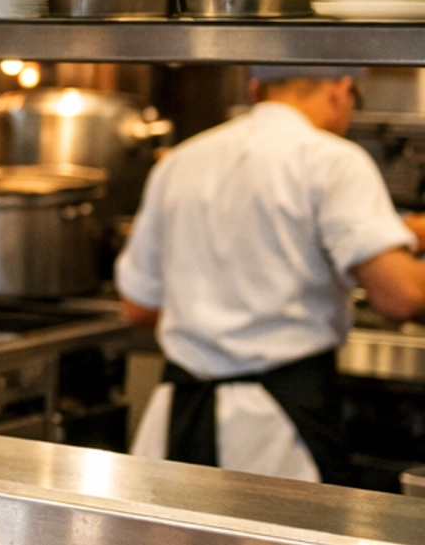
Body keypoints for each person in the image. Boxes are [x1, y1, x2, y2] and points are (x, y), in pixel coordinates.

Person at [117, 66, 425, 482]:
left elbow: (138, 305)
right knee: (278, 528)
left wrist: (215, 321)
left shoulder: (181, 161)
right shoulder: (333, 160)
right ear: (340, 90)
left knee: (173, 527)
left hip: (179, 419)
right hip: (275, 431)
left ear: (254, 89)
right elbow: (400, 295)